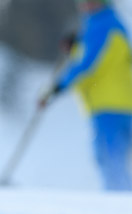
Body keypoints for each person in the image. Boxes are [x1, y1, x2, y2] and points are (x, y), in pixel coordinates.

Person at [40, 0, 132, 191]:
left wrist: (58, 86)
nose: (85, 5)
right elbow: (101, 57)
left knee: (109, 160)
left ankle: (118, 207)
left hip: (109, 104)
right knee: (116, 161)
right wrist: (76, 45)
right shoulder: (111, 23)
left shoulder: (100, 24)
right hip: (121, 102)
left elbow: (88, 64)